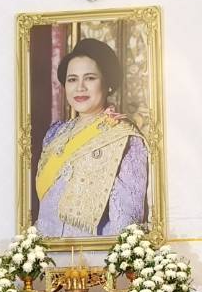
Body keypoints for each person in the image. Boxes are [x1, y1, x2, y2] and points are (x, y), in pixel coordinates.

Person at [34, 37, 148, 238]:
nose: (80, 87)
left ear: (108, 83)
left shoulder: (124, 137)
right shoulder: (54, 134)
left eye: (90, 78)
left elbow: (126, 220)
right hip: (47, 255)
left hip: (93, 257)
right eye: (72, 79)